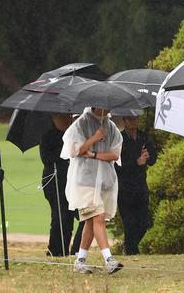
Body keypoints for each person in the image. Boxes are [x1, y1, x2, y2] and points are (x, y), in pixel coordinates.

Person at [61, 107, 124, 274]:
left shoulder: (111, 127)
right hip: (86, 180)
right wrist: (94, 138)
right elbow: (75, 150)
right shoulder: (80, 124)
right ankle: (108, 259)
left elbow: (115, 155)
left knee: (91, 221)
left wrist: (95, 154)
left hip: (105, 181)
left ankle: (80, 259)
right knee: (98, 217)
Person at [40, 113, 83, 256]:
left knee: (84, 216)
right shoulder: (48, 136)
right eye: (62, 117)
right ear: (54, 118)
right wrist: (66, 149)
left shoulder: (75, 135)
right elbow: (47, 158)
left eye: (68, 116)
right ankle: (57, 251)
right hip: (54, 182)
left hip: (74, 182)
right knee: (61, 217)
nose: (65, 119)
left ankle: (76, 251)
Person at [115, 114, 157, 255]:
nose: (134, 122)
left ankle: (129, 246)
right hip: (124, 187)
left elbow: (153, 159)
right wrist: (136, 162)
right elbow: (117, 166)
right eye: (130, 119)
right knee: (129, 222)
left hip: (140, 186)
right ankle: (132, 251)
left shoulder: (143, 137)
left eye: (136, 119)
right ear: (124, 120)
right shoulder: (120, 139)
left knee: (143, 222)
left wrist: (148, 155)